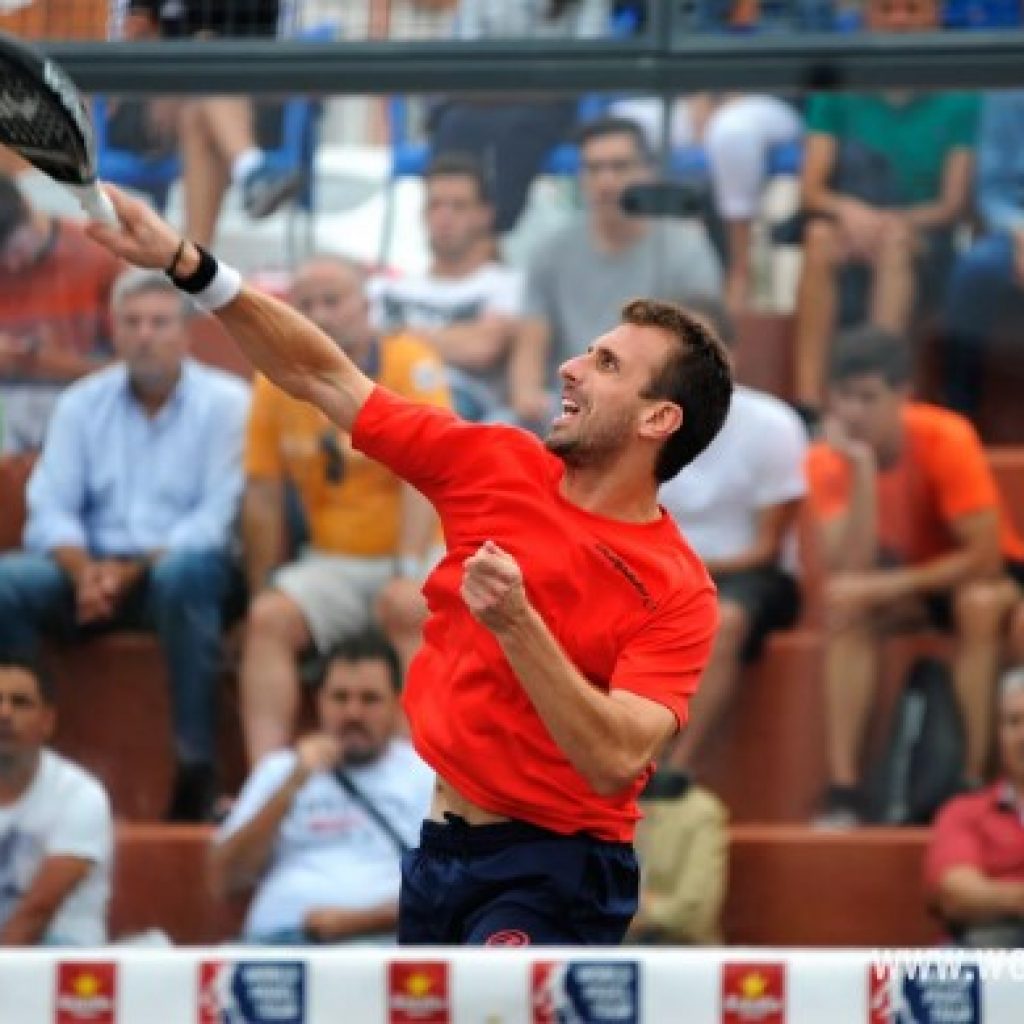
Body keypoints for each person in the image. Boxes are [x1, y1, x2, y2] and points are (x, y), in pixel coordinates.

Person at [87, 183, 733, 946]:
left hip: (554, 871)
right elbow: (323, 376)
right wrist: (187, 264)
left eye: (606, 364)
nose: (569, 367)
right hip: (437, 857)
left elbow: (616, 759)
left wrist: (518, 625)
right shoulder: (495, 461)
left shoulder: (678, 588)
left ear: (658, 419)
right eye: (586, 351)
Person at [0, 269, 250, 822]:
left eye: (159, 323)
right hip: (88, 577)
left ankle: (197, 772)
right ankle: (20, 758)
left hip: (180, 575)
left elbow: (217, 518)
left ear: (186, 334)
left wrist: (126, 573)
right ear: (114, 332)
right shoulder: (82, 403)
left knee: (189, 574)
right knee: (7, 583)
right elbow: (50, 507)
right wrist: (85, 572)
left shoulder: (228, 403)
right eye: (132, 323)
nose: (145, 335)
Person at [806, 327, 1024, 828]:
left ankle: (971, 777)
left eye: (868, 397)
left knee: (979, 604)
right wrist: (861, 471)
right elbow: (846, 572)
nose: (855, 412)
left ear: (903, 396)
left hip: (979, 578)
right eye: (844, 397)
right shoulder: (828, 459)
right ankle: (844, 790)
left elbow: (985, 559)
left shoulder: (945, 436)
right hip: (910, 579)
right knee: (847, 614)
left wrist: (883, 587)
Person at [240, 255, 450, 765]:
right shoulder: (276, 380)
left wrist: (405, 568)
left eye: (333, 300)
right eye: (306, 304)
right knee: (267, 619)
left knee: (406, 608)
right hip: (332, 559)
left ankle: (411, 776)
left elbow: (428, 472)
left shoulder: (409, 362)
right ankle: (264, 777)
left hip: (414, 550)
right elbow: (263, 494)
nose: (321, 314)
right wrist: (260, 583)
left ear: (366, 305)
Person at [792, 0, 978, 413]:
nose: (898, 20)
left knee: (894, 243)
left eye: (911, 9)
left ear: (935, 16)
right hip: (848, 229)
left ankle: (875, 399)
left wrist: (887, 224)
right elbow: (812, 190)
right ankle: (809, 405)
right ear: (866, 16)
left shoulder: (963, 92)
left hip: (927, 243)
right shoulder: (838, 81)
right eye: (886, 9)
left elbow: (952, 204)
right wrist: (853, 215)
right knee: (819, 236)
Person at [210, 631, 434, 944]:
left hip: (380, 944)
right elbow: (223, 879)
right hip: (276, 944)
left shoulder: (423, 775)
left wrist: (355, 922)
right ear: (319, 702)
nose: (353, 713)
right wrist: (293, 784)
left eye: (370, 699)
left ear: (397, 705)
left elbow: (448, 892)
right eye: (340, 698)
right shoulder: (281, 770)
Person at [658, 299, 806, 773]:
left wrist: (686, 569)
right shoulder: (639, 424)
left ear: (730, 354)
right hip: (660, 567)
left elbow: (767, 545)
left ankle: (674, 767)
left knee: (723, 620)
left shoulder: (773, 424)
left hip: (748, 574)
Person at [513, 116, 722, 428]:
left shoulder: (685, 248)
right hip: (567, 410)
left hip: (650, 412)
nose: (606, 181)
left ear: (647, 172)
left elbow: (702, 355)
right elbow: (529, 349)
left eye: (619, 166)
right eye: (594, 169)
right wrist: (528, 398)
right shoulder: (551, 250)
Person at [118, 0, 302, 247]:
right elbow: (135, 35)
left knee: (198, 112)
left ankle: (195, 256)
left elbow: (277, 57)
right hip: (153, 109)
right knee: (208, 57)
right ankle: (250, 168)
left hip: (240, 106)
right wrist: (164, 83)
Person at [429, 0, 611, 234]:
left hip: (551, 100)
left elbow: (588, 56)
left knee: (516, 130)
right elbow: (467, 52)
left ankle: (490, 231)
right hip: (483, 96)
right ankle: (449, 222)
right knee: (453, 124)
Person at [370, 152, 523, 422]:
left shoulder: (509, 285)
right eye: (436, 205)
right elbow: (363, 348)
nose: (445, 217)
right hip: (394, 410)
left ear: (484, 215)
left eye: (459, 206)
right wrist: (457, 337)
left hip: (468, 419)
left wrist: (396, 337)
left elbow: (483, 348)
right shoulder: (385, 288)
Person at [0, 174, 122, 453]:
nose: (12, 268)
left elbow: (134, 371)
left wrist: (42, 361)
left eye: (17, 251)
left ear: (30, 209)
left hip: (82, 399)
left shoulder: (98, 257)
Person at [0, 656, 113, 946]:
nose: (4, 713)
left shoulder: (80, 795)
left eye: (21, 702)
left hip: (61, 960)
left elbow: (36, 913)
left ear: (48, 721)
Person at [925, 668, 1024, 947]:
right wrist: (1019, 900)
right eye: (1013, 722)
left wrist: (995, 894)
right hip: (987, 946)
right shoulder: (964, 812)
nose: (1022, 736)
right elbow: (957, 894)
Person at [942, 90, 1024, 418]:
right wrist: (1020, 233)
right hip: (1015, 229)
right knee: (974, 270)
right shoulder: (1008, 88)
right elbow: (993, 190)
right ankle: (961, 411)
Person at [625, 770, 728, 945]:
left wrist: (635, 910)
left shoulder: (700, 812)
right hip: (611, 956)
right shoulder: (595, 804)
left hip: (683, 955)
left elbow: (694, 911)